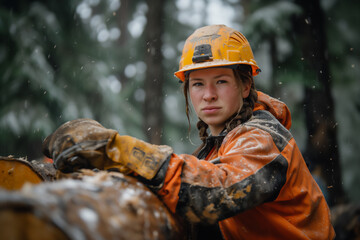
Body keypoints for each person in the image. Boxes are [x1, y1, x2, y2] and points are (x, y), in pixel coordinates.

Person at [43, 25, 335, 239]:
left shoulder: (264, 139)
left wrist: (115, 149)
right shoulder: (218, 145)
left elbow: (213, 195)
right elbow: (183, 193)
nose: (208, 95)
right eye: (197, 84)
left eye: (220, 81)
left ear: (246, 86)